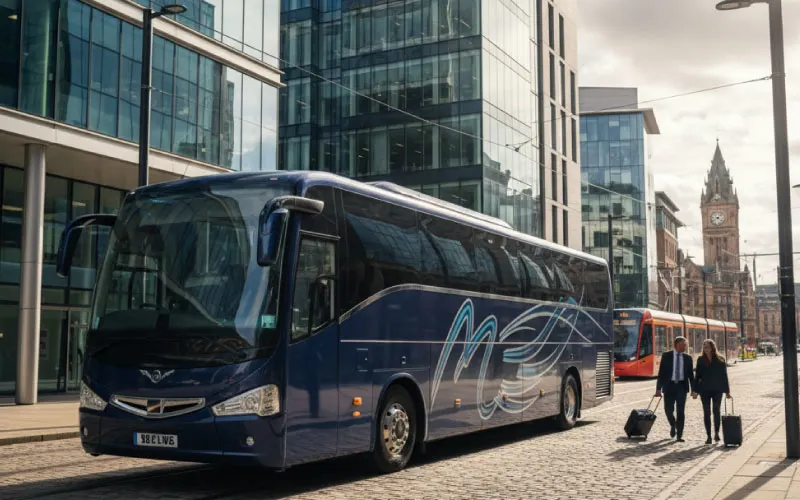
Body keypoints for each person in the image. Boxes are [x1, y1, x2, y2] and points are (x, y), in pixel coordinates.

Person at [655, 336, 696, 442]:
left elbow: (691, 375)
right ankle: (673, 424)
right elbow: (661, 373)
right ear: (676, 345)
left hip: (682, 387)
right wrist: (658, 389)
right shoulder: (666, 356)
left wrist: (693, 389)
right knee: (668, 410)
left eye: (685, 345)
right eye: (683, 345)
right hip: (669, 386)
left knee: (680, 411)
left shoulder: (688, 358)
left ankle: (680, 436)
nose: (684, 347)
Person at [695, 339, 731, 444]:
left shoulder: (720, 360)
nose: (706, 349)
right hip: (704, 390)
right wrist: (695, 391)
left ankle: (716, 433)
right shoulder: (700, 360)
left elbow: (724, 376)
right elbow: (697, 376)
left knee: (716, 411)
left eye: (707, 347)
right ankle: (708, 436)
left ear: (712, 348)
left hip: (717, 390)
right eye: (704, 347)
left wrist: (727, 391)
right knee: (706, 412)